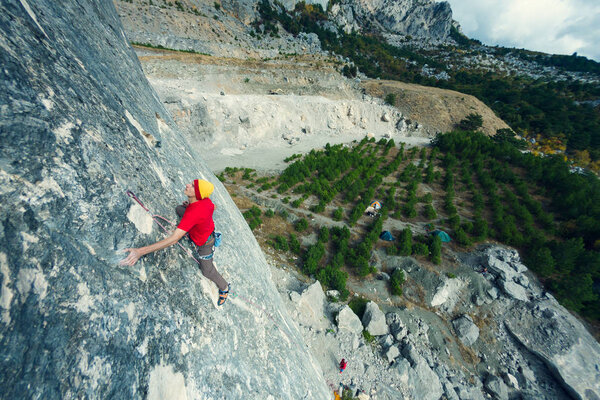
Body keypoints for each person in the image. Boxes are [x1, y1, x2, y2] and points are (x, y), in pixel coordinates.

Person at [120, 179, 230, 306]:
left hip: (205, 243)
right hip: (201, 225)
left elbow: (173, 239)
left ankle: (225, 287)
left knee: (207, 271)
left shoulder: (194, 213)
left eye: (193, 186)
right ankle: (192, 222)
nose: (187, 185)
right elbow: (213, 207)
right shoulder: (206, 201)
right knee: (179, 209)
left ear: (198, 194)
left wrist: (139, 252)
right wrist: (190, 206)